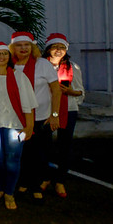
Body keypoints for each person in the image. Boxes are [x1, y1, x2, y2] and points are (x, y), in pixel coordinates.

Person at [10, 32, 62, 204]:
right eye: (19, 45)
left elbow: (56, 90)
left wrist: (55, 115)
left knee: (40, 153)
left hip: (42, 117)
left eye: (26, 45)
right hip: (18, 118)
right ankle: (23, 182)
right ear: (13, 48)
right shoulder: (10, 66)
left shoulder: (42, 65)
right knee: (23, 152)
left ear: (32, 47)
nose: (23, 48)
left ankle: (36, 185)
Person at [0, 42, 36, 210]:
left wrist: (29, 127)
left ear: (9, 56)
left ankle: (9, 192)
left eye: (4, 53)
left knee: (13, 160)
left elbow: (28, 105)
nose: (1, 57)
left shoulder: (19, 77)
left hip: (15, 125)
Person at [42, 33, 85, 198]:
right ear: (48, 49)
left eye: (61, 47)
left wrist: (69, 92)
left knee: (64, 145)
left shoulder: (72, 67)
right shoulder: (42, 66)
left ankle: (59, 180)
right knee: (45, 145)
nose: (58, 50)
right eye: (55, 47)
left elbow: (80, 91)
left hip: (68, 109)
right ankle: (45, 177)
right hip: (46, 109)